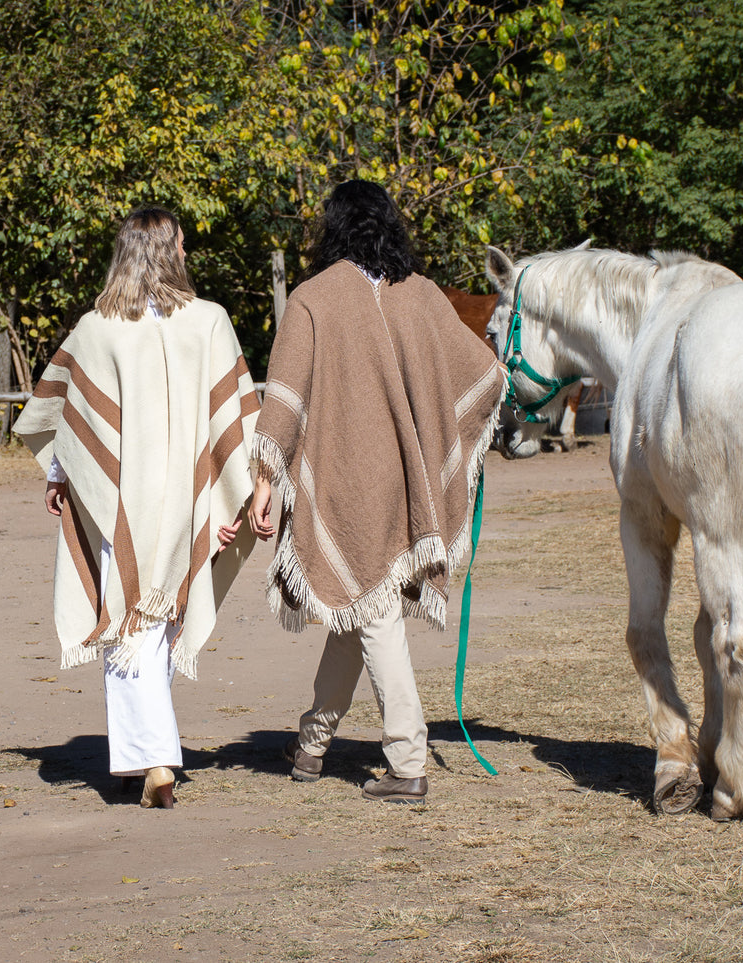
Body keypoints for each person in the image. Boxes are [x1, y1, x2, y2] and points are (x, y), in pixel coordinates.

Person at [248, 180, 505, 803]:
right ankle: (311, 744)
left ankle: (407, 760)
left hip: (344, 478)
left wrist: (264, 481)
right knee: (360, 600)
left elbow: (283, 399)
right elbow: (485, 374)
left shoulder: (311, 299)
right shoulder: (421, 296)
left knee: (376, 610)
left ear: (332, 229)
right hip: (409, 478)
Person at [14, 207, 259, 809]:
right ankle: (142, 756)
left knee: (130, 617)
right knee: (157, 620)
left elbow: (67, 421)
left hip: (122, 496)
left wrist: (59, 475)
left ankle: (153, 759)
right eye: (181, 240)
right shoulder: (210, 320)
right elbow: (238, 422)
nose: (186, 247)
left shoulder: (97, 326)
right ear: (166, 250)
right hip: (190, 495)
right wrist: (243, 490)